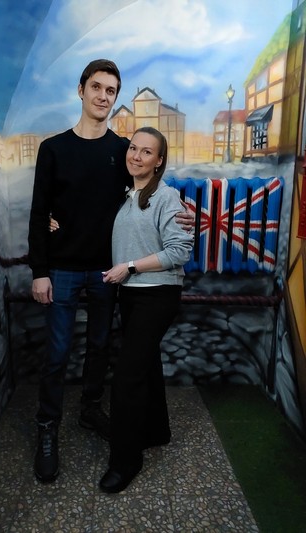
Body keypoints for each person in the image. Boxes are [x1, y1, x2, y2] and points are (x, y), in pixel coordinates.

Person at [28, 59, 194, 484]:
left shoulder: (123, 150)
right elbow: (38, 212)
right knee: (57, 353)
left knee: (100, 347)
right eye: (97, 87)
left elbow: (151, 186)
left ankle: (90, 409)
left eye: (111, 91)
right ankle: (47, 427)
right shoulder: (53, 149)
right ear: (81, 90)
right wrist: (39, 270)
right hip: (62, 268)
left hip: (108, 270)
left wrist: (186, 214)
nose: (103, 96)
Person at [99, 127, 194, 493]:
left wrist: (130, 267)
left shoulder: (166, 198)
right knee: (147, 365)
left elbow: (179, 252)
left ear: (159, 161)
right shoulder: (128, 196)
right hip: (132, 296)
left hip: (157, 295)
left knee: (127, 378)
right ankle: (157, 431)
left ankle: (126, 461)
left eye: (146, 152)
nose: (136, 156)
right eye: (133, 148)